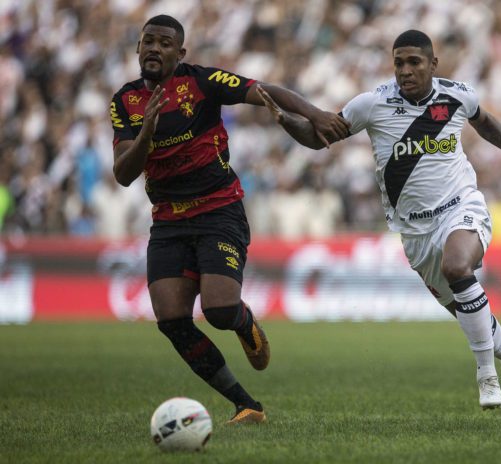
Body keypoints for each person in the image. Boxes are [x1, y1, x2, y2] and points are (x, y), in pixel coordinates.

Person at [258, 30, 501, 409]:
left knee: (459, 267)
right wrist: (284, 119)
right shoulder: (370, 105)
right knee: (467, 309)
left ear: (433, 64)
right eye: (399, 63)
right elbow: (318, 136)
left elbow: (484, 121)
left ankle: (487, 377)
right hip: (415, 232)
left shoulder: (456, 94)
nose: (405, 71)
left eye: (414, 62)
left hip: (461, 207)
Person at [110, 15, 349, 424]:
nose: (154, 48)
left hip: (218, 209)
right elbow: (123, 173)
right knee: (171, 320)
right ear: (137, 48)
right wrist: (146, 133)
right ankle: (246, 404)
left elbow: (263, 90)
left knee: (219, 310)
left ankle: (243, 323)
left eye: (165, 43)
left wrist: (315, 113)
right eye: (147, 41)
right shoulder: (125, 101)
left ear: (179, 53)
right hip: (167, 220)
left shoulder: (202, 83)